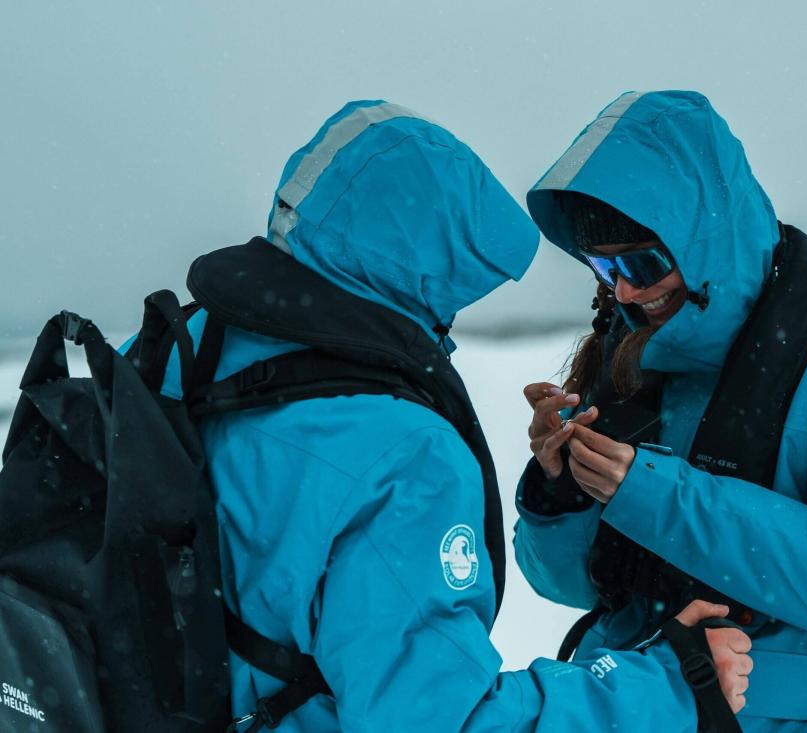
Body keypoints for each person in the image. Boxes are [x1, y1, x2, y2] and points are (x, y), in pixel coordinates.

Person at [137, 100, 751, 731]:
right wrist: (671, 687)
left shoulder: (181, 351)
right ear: (432, 263)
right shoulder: (402, 454)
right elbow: (441, 720)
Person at [514, 90, 807, 732]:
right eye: (605, 266)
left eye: (644, 262)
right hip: (644, 708)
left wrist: (651, 493)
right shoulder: (629, 351)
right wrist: (559, 487)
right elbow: (570, 586)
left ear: (705, 240)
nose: (626, 290)